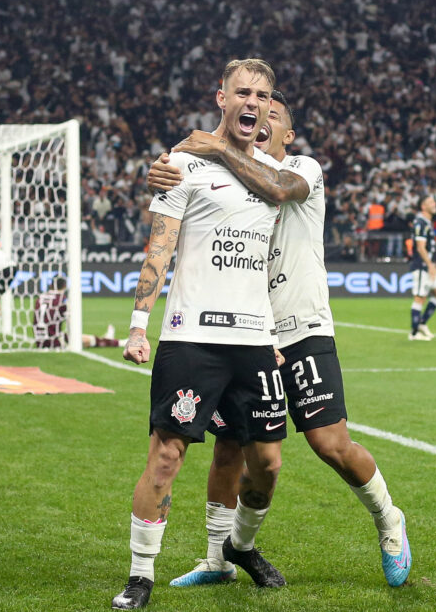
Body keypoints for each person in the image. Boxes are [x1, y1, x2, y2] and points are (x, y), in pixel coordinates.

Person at [148, 89, 412, 588]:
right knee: (229, 446)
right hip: (246, 334)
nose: (261, 119)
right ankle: (218, 558)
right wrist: (165, 168)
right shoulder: (223, 173)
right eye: (255, 113)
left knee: (329, 444)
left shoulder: (303, 168)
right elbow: (181, 190)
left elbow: (280, 188)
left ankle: (388, 518)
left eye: (273, 116)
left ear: (287, 134)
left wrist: (213, 147)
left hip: (302, 329)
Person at [111, 59, 287, 610]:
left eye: (262, 94)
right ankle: (141, 574)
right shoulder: (181, 164)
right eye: (242, 92)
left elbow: (283, 212)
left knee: (249, 457)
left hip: (254, 342)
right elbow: (159, 247)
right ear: (222, 98)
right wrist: (139, 326)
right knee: (166, 457)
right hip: (192, 338)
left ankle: (223, 557)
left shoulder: (275, 172)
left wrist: (277, 334)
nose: (252, 102)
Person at [33, 276, 124, 349]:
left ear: (51, 285)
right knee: (87, 340)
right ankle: (117, 342)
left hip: (39, 340)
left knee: (81, 337)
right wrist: (72, 342)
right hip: (54, 342)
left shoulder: (40, 298)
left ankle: (106, 339)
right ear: (64, 286)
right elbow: (70, 323)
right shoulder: (61, 299)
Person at [408, 194, 436, 341]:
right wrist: (429, 265)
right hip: (422, 266)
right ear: (423, 206)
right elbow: (420, 247)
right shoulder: (420, 223)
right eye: (430, 202)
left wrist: (433, 264)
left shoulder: (428, 222)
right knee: (419, 298)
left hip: (429, 265)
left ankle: (422, 323)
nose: (434, 204)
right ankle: (414, 333)